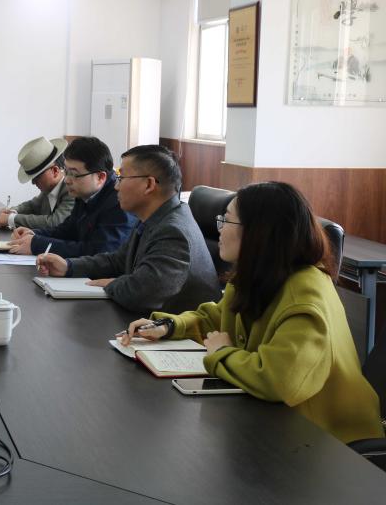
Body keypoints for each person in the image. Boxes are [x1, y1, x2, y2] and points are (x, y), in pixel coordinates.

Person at [119, 182, 383, 445]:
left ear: (260, 232)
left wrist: (222, 353)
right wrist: (169, 326)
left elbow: (280, 381)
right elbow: (216, 317)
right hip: (278, 423)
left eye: (227, 220)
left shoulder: (305, 298)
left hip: (330, 440)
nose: (219, 229)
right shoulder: (258, 275)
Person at [37, 144, 221, 313]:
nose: (116, 186)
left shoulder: (173, 231)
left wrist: (112, 283)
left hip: (185, 333)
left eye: (121, 178)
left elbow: (142, 293)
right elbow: (118, 260)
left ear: (149, 184)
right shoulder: (155, 217)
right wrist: (69, 267)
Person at [7, 136, 134, 257]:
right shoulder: (84, 192)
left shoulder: (119, 202)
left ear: (100, 177)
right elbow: (68, 230)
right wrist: (34, 234)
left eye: (74, 174)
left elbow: (97, 251)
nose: (67, 180)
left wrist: (37, 244)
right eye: (66, 172)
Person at [0, 136, 73, 232]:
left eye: (37, 177)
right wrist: (12, 211)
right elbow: (32, 205)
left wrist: (11, 219)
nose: (33, 182)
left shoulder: (72, 190)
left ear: (55, 171)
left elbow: (55, 222)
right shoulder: (49, 189)